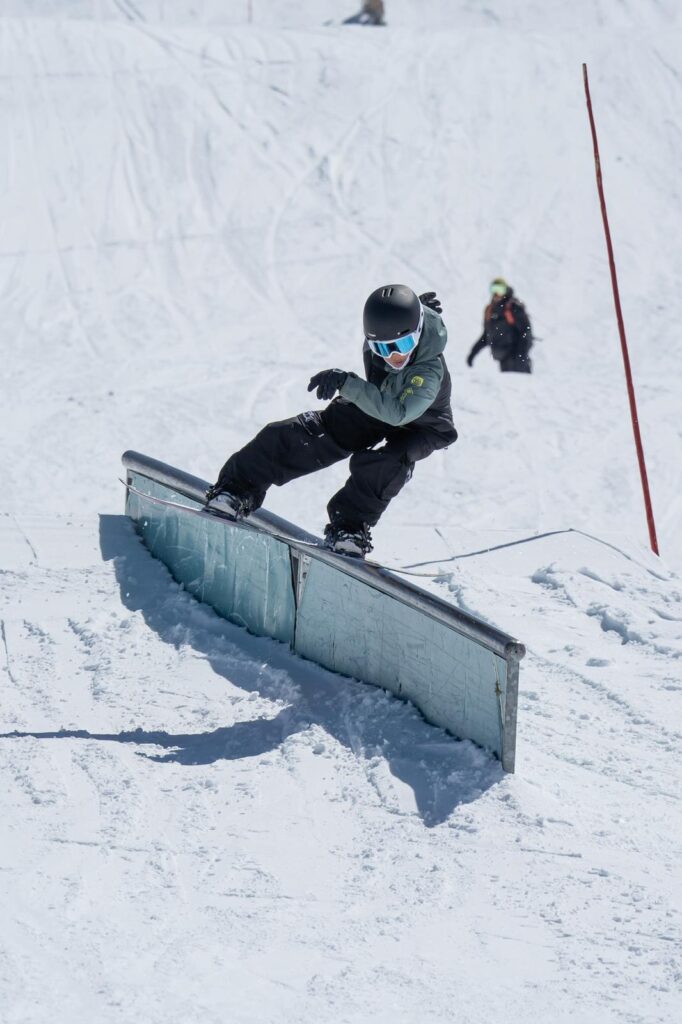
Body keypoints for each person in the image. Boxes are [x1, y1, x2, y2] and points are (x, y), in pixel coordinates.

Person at [206, 285, 458, 557]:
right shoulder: (397, 333)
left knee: (386, 463)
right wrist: (414, 310)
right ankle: (237, 488)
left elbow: (398, 413)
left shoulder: (428, 371)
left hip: (419, 424)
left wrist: (346, 383)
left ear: (418, 332)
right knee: (316, 432)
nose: (393, 357)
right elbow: (398, 324)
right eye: (381, 348)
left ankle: (350, 528)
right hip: (378, 399)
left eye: (403, 345)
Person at [467, 278, 533, 373]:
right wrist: (473, 353)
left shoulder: (513, 307)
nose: (496, 293)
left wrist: (521, 355)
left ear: (505, 290)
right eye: (494, 289)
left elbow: (526, 332)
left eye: (500, 289)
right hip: (503, 360)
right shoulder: (490, 311)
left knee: (519, 381)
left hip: (517, 359)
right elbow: (486, 336)